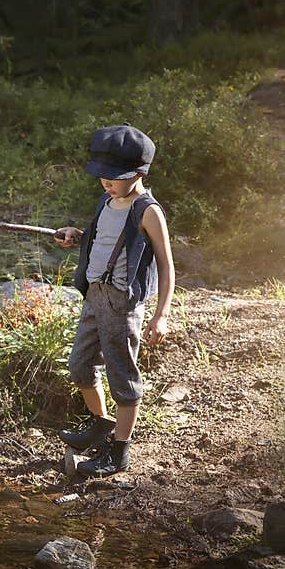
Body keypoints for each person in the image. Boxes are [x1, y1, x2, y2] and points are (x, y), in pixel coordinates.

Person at [53, 124, 175, 477]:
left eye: (113, 176)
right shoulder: (108, 199)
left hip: (121, 304)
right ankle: (100, 424)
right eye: (101, 175)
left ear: (138, 174)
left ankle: (119, 451)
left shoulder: (148, 211)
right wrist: (76, 236)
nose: (105, 181)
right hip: (94, 296)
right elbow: (99, 237)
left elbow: (167, 266)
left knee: (123, 377)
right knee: (80, 364)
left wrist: (161, 315)